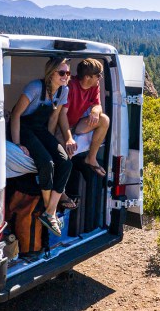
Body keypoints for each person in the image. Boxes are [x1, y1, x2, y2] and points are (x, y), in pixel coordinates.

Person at [10, 57, 73, 236]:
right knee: (46, 163)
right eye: (62, 72)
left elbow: (53, 119)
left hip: (39, 129)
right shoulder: (35, 88)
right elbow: (15, 115)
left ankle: (49, 212)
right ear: (50, 73)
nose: (65, 76)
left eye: (68, 73)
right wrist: (17, 144)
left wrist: (50, 142)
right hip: (23, 127)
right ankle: (49, 210)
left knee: (66, 162)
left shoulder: (64, 91)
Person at [58, 58, 110, 175]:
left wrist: (95, 111)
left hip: (76, 123)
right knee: (66, 156)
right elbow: (62, 115)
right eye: (98, 75)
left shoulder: (94, 85)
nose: (100, 78)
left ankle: (91, 158)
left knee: (104, 120)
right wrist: (69, 138)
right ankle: (60, 192)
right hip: (61, 126)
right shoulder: (71, 86)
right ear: (87, 77)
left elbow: (98, 105)